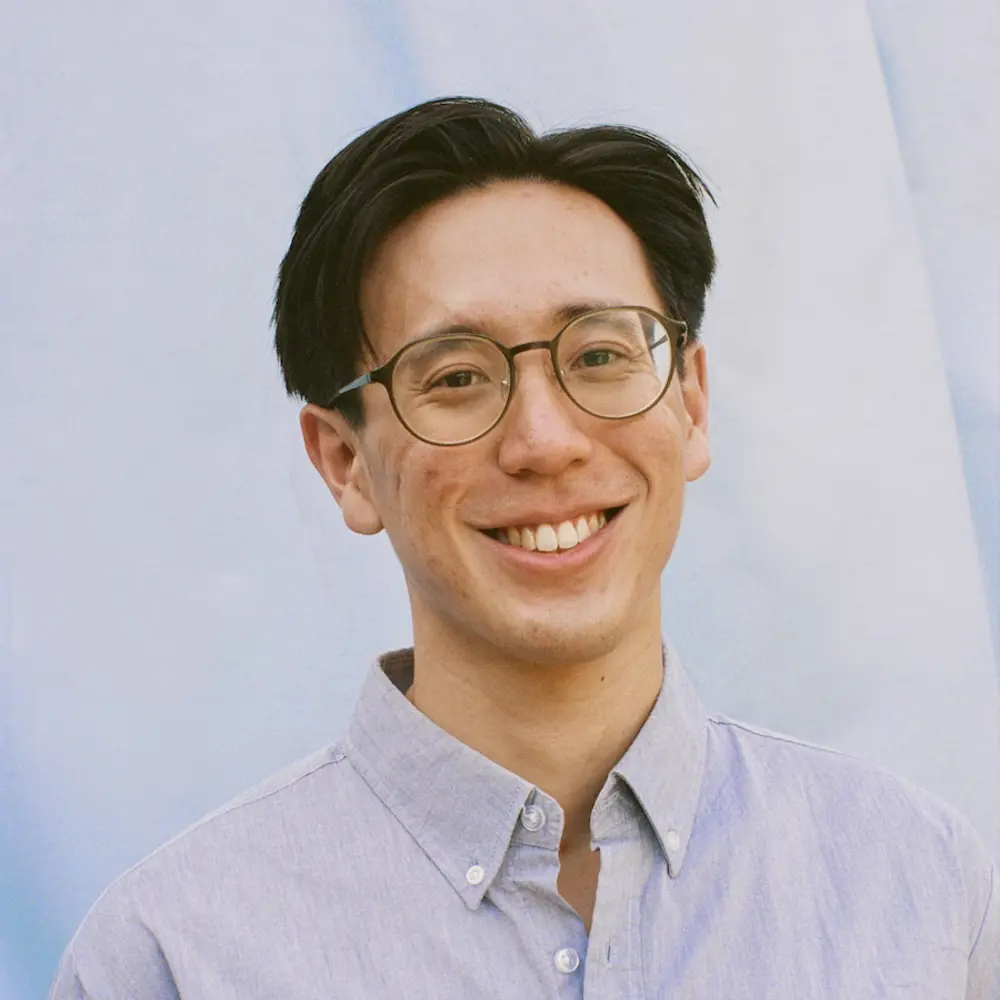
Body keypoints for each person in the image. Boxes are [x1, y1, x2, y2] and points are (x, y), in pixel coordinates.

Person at [50, 96, 997, 998]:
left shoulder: (919, 888)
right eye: (456, 376)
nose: (546, 440)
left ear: (691, 402)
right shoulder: (174, 955)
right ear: (344, 462)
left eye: (600, 355)